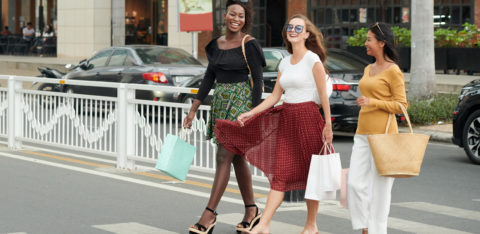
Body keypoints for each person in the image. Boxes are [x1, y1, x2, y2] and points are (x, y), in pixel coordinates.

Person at [214, 14, 333, 234]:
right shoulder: (284, 62)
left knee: (311, 175)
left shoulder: (312, 59)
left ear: (307, 34)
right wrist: (251, 113)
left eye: (298, 28)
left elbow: (323, 95)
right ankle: (264, 225)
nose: (293, 31)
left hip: (309, 119)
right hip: (287, 120)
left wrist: (328, 125)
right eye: (290, 27)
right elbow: (274, 96)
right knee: (281, 174)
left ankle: (311, 225)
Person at [183, 0, 265, 233]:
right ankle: (252, 210)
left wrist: (254, 112)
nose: (236, 19)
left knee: (223, 156)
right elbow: (209, 77)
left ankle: (209, 215)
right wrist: (194, 108)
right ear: (225, 16)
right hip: (220, 102)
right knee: (236, 157)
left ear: (244, 19)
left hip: (241, 103)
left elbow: (258, 80)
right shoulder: (216, 45)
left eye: (240, 15)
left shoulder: (249, 44)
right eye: (232, 14)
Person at [347, 22, 407, 234]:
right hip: (362, 133)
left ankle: (375, 231)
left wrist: (374, 103)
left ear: (381, 43)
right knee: (354, 183)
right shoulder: (367, 68)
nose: (365, 43)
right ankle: (365, 226)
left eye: (369, 39)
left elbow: (401, 105)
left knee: (381, 191)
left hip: (384, 136)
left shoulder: (393, 71)